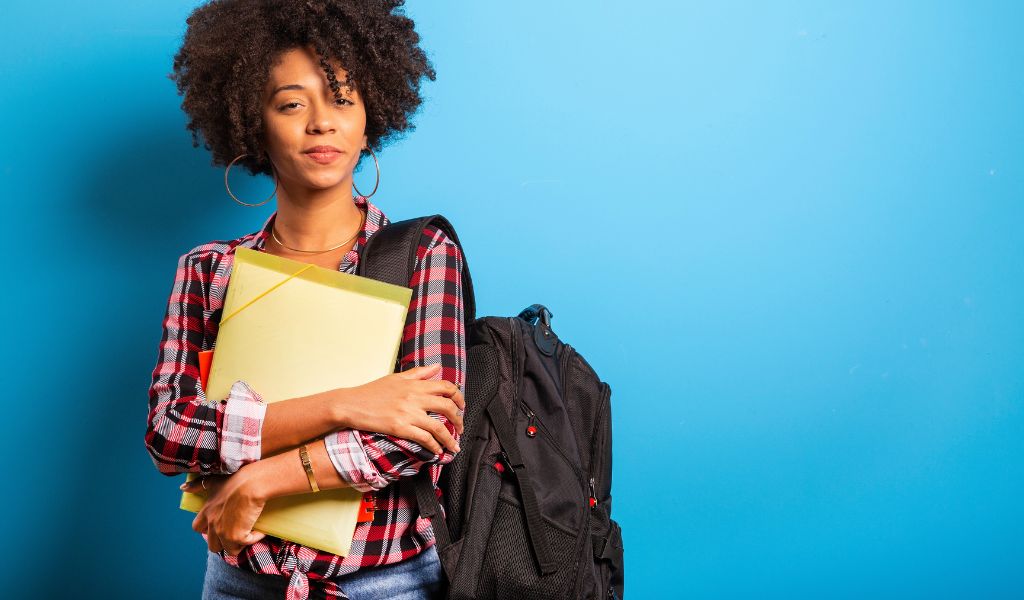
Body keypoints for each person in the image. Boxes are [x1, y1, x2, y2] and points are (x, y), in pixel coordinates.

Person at [143, 1, 466, 598]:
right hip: (239, 580)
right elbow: (169, 430)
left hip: (384, 584)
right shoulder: (208, 270)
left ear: (371, 119)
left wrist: (261, 479)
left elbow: (424, 433)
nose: (322, 122)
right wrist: (348, 404)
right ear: (253, 125)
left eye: (343, 99)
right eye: (292, 103)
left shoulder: (420, 254)